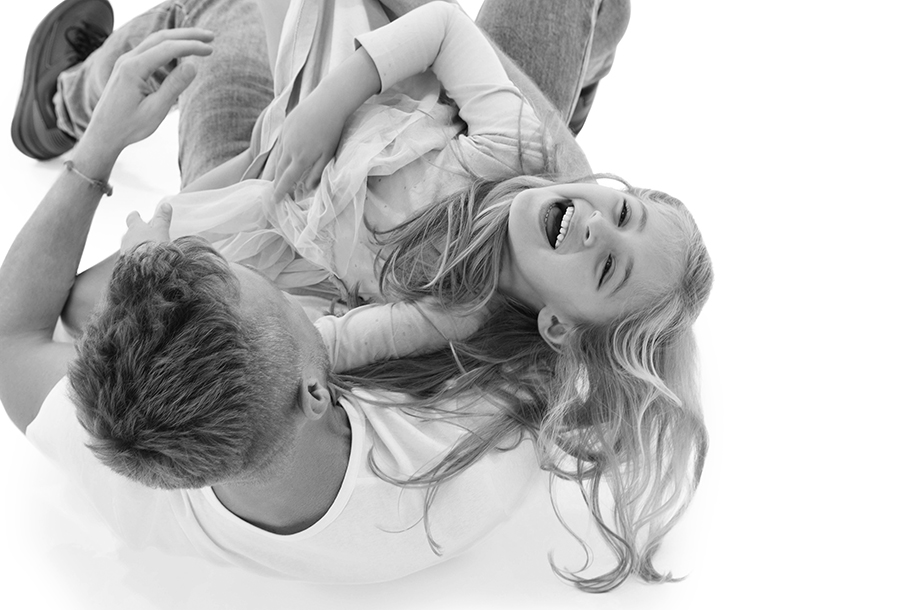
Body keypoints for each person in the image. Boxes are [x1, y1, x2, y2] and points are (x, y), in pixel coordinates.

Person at [7, 0, 711, 593]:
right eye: (622, 210)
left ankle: (68, 100)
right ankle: (563, 101)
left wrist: (109, 162)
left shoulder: (146, 436)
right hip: (410, 141)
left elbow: (30, 325)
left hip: (291, 188)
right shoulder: (523, 171)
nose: (600, 224)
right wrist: (339, 97)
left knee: (217, 15)